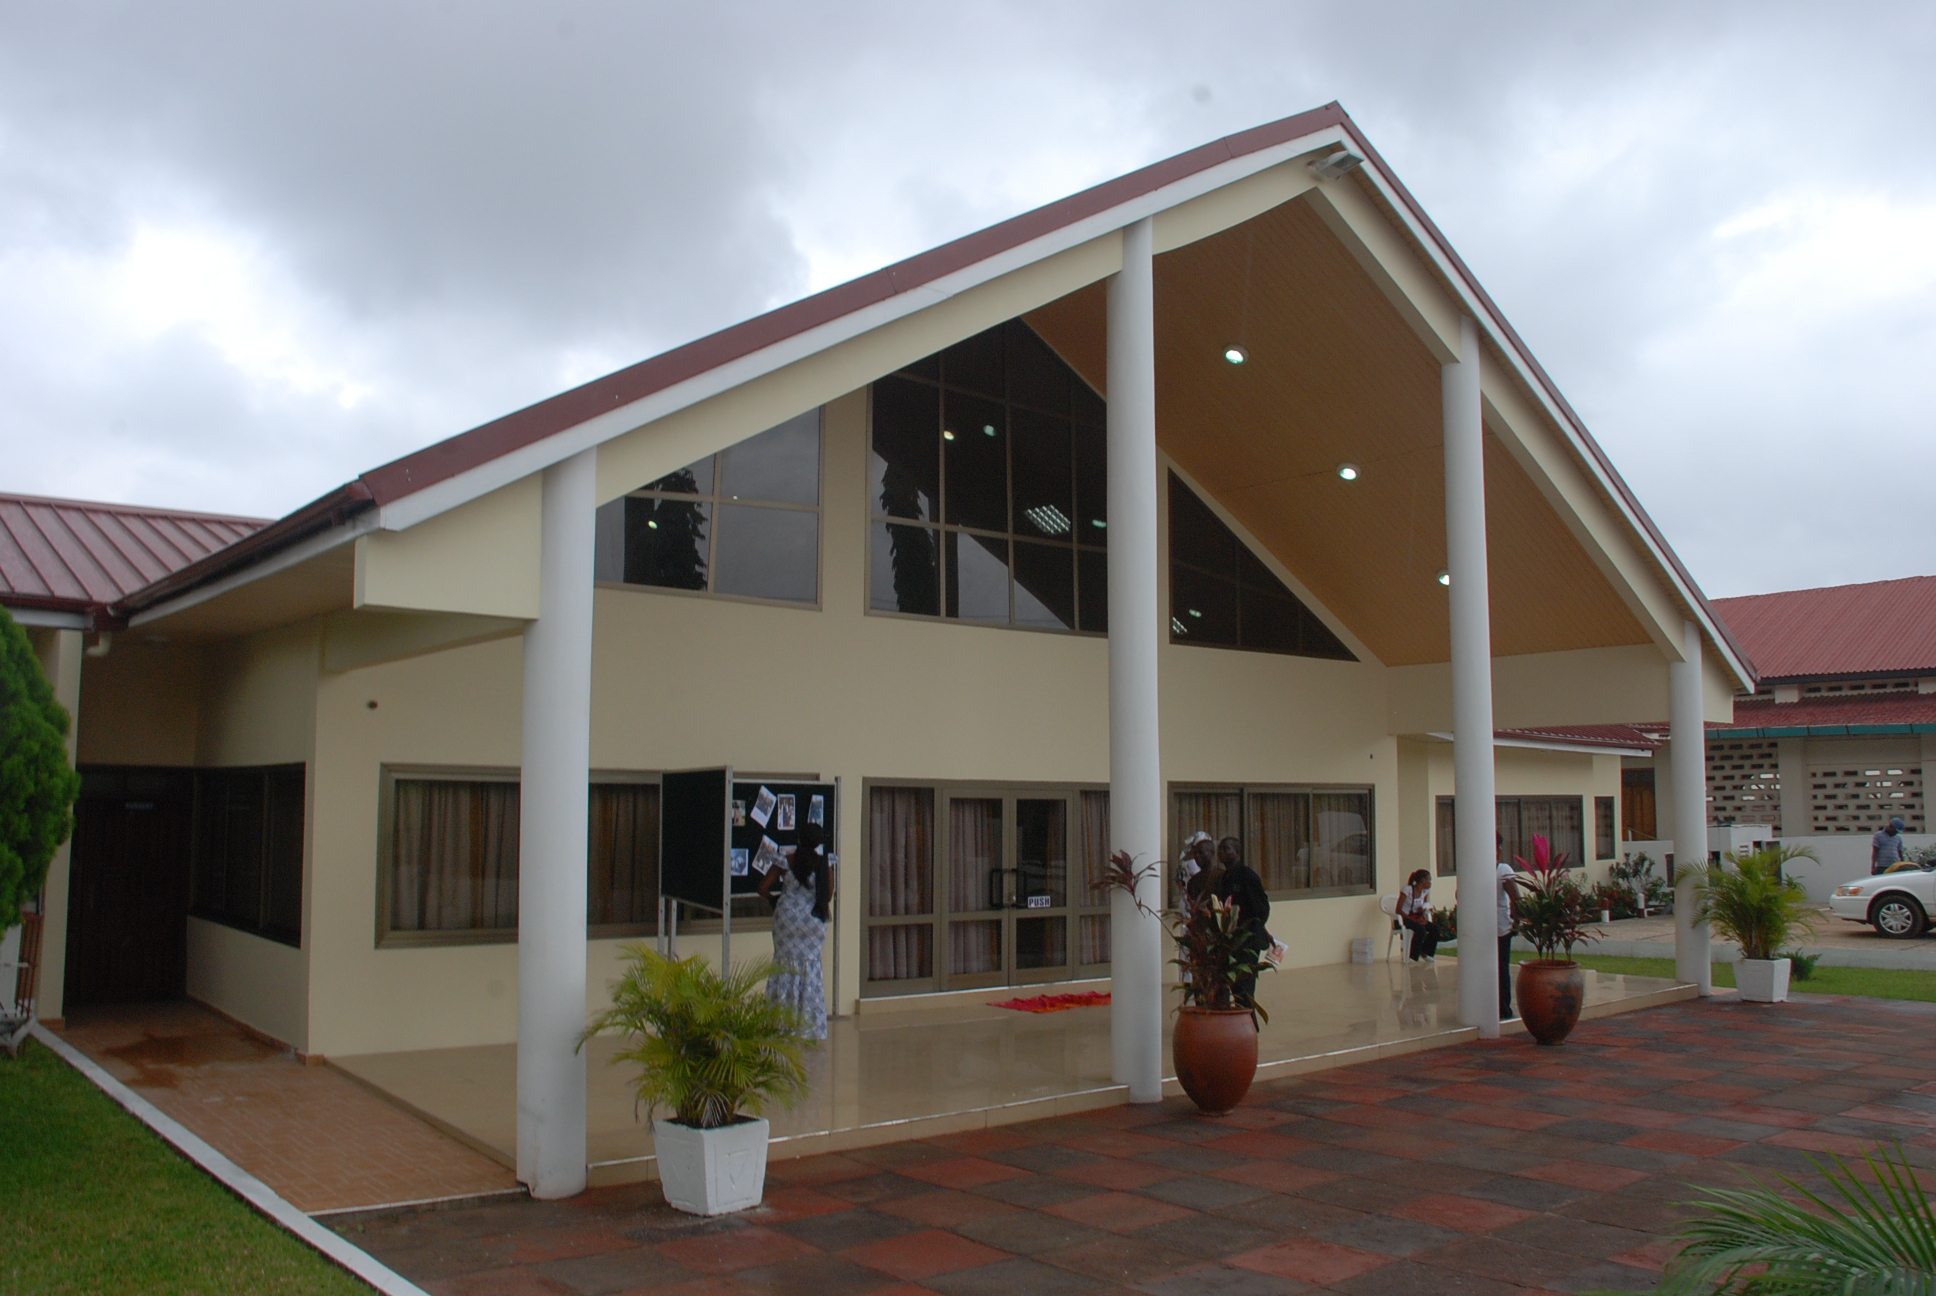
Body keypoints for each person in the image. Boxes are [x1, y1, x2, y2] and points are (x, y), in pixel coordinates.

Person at [760, 823, 831, 1040]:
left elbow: (762, 888)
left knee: (783, 965)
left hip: (787, 920)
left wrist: (775, 901)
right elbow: (828, 895)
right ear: (818, 843)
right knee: (810, 967)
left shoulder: (786, 860)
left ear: (799, 839)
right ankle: (809, 1027)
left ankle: (780, 1024)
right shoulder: (825, 864)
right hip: (813, 923)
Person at [1212, 836, 1272, 1011]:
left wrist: (1252, 928)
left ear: (1237, 852)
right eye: (1220, 849)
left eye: (1226, 849)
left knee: (1245, 988)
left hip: (1248, 941)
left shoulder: (1247, 876)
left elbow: (1262, 909)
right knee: (1234, 986)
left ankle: (1248, 1023)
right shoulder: (1224, 878)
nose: (1222, 852)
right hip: (1230, 940)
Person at [1497, 834, 1523, 1020]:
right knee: (1500, 969)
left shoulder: (1502, 870)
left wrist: (1515, 921)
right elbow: (1516, 898)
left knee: (1498, 969)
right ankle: (1502, 1008)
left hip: (1498, 928)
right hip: (1499, 928)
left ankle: (1502, 1008)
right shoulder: (1502, 870)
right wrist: (1516, 922)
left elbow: (1515, 898)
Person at [1398, 869, 1438, 961]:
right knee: (1420, 929)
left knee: (1435, 928)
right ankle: (1413, 955)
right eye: (1429, 880)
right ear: (1423, 881)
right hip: (1405, 918)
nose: (1430, 883)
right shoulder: (1407, 890)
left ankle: (1426, 952)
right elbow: (1398, 909)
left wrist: (1422, 912)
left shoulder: (1425, 891)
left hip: (1417, 917)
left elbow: (1423, 905)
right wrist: (1414, 920)